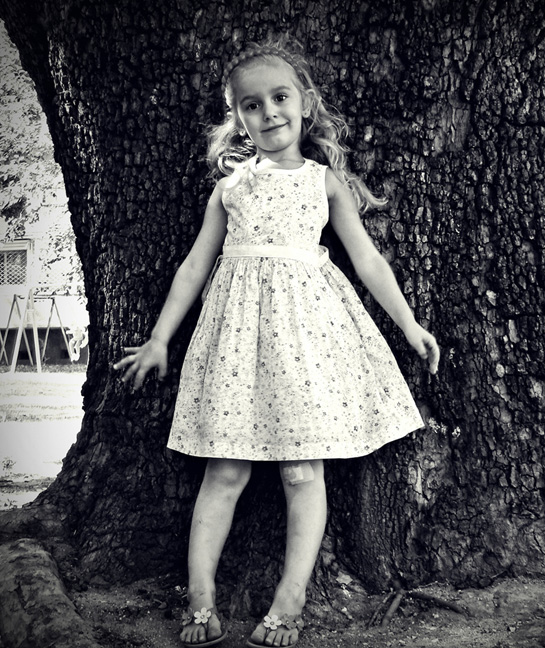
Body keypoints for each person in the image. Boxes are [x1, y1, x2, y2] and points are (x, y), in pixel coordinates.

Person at [113, 39, 439, 648]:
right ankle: (201, 599)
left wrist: (409, 324)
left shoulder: (324, 183)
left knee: (302, 470)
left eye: (280, 97)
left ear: (305, 103)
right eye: (252, 105)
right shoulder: (231, 187)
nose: (269, 113)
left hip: (304, 344)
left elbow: (368, 260)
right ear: (238, 118)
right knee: (225, 469)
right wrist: (159, 339)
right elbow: (194, 266)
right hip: (236, 346)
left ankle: (289, 602)